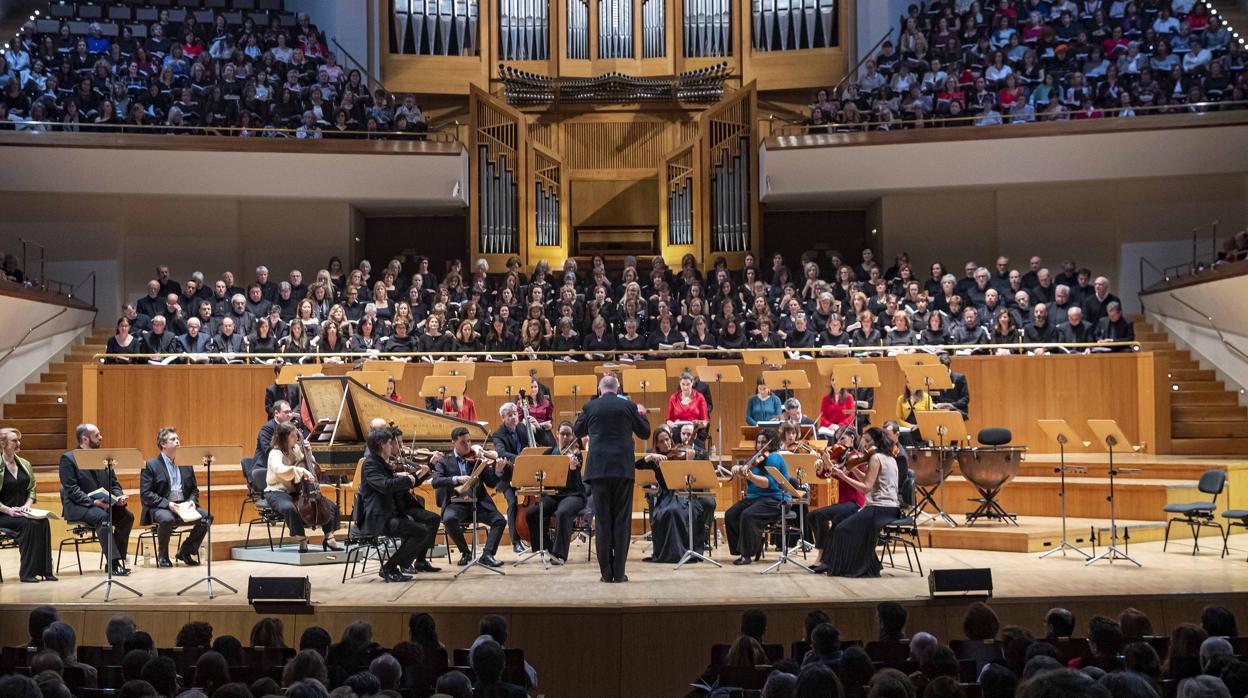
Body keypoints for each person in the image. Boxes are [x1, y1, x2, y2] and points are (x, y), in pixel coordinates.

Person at [573, 373, 651, 583]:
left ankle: (606, 574)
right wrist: (642, 414)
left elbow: (577, 430)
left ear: (600, 389)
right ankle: (619, 572)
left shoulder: (591, 407)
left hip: (598, 469)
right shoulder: (629, 406)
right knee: (621, 521)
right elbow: (645, 433)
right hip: (622, 469)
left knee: (603, 521)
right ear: (618, 389)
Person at [818, 427, 900, 577]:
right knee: (847, 527)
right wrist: (853, 468)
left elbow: (866, 488)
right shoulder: (889, 457)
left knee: (842, 529)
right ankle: (868, 565)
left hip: (879, 508)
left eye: (869, 441)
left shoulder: (876, 458)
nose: (865, 445)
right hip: (892, 508)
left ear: (878, 442)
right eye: (864, 441)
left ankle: (851, 568)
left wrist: (843, 475)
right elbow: (868, 480)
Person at [358, 426, 434, 581]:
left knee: (421, 530)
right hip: (378, 518)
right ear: (381, 444)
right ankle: (390, 567)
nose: (392, 446)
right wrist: (406, 478)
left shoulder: (381, 462)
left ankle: (398, 565)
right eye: (389, 443)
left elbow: (403, 484)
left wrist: (426, 470)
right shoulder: (370, 464)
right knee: (420, 532)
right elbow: (385, 486)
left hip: (390, 515)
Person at [59, 423, 134, 577]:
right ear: (85, 439)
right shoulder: (68, 459)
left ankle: (117, 559)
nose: (101, 438)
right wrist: (93, 502)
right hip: (78, 505)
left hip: (102, 504)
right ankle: (114, 564)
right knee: (103, 517)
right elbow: (71, 489)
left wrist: (118, 496)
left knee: (127, 517)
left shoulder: (102, 458)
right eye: (96, 435)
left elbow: (114, 483)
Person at [431, 426, 507, 568]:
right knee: (449, 519)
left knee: (500, 521)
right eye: (463, 442)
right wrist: (456, 479)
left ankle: (487, 555)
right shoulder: (444, 462)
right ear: (453, 442)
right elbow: (436, 482)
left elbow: (491, 483)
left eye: (469, 441)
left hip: (478, 504)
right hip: (456, 504)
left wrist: (498, 472)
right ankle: (465, 552)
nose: (468, 446)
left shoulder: (478, 460)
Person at [138, 427, 211, 567]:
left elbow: (194, 489)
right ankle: (163, 556)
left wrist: (191, 501)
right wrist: (168, 504)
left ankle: (186, 551)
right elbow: (146, 494)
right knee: (167, 519)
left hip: (183, 505)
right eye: (173, 439)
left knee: (207, 516)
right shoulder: (150, 465)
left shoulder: (185, 463)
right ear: (163, 444)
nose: (178, 441)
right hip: (161, 506)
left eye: (178, 439)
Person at [264, 422, 342, 553]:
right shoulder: (275, 453)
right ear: (284, 438)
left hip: (297, 490)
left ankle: (329, 537)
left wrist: (308, 451)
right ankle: (302, 539)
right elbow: (279, 469)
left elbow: (308, 464)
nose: (297, 439)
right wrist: (299, 471)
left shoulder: (295, 449)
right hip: (277, 491)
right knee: (289, 508)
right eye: (293, 436)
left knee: (330, 506)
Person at [807, 426, 868, 573]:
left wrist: (828, 462)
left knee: (819, 515)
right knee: (811, 516)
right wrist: (821, 467)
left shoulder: (856, 456)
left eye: (843, 439)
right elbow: (826, 475)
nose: (838, 443)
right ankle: (825, 557)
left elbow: (843, 474)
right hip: (843, 504)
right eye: (837, 439)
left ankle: (821, 556)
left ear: (852, 439)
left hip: (855, 503)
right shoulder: (840, 457)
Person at [523, 421, 586, 564]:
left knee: (562, 513)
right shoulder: (550, 453)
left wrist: (572, 467)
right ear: (557, 434)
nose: (565, 437)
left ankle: (559, 555)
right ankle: (546, 548)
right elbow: (542, 476)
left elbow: (575, 482)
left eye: (568, 434)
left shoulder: (576, 454)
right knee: (532, 513)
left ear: (572, 437)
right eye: (562, 433)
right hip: (553, 494)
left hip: (573, 495)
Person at [724, 426, 788, 566]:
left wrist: (751, 476)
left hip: (775, 499)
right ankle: (742, 548)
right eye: (758, 442)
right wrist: (738, 470)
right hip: (756, 499)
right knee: (731, 514)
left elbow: (767, 484)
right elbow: (746, 474)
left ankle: (747, 554)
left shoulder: (773, 457)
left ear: (772, 442)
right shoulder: (756, 458)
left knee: (748, 515)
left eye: (763, 442)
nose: (760, 445)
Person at [0, 428, 55, 582]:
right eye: (14, 440)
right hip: (3, 513)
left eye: (19, 440)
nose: (18, 443)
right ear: (3, 443)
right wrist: (8, 510)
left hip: (22, 511)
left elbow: (32, 489)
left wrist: (27, 504)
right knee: (27, 524)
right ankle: (27, 573)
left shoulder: (25, 463)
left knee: (43, 522)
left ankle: (45, 571)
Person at [491, 402, 537, 553]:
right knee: (512, 503)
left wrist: (537, 427)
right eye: (509, 415)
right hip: (507, 477)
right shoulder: (498, 435)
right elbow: (501, 453)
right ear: (503, 418)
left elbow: (536, 444)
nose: (514, 417)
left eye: (515, 414)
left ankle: (537, 536)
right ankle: (515, 541)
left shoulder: (523, 428)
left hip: (525, 474)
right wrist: (521, 459)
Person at [666, 370, 709, 437]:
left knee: (700, 435)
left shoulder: (699, 397)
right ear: (680, 383)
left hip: (695, 429)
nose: (685, 387)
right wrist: (673, 425)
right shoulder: (673, 398)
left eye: (688, 384)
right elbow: (669, 420)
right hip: (678, 429)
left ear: (692, 383)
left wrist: (699, 424)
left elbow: (705, 421)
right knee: (675, 434)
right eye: (683, 384)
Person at [929, 352, 970, 419]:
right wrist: (935, 405)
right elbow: (932, 397)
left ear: (949, 366)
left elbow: (965, 398)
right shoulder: (935, 379)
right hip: (939, 411)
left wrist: (951, 405)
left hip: (956, 410)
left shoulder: (959, 378)